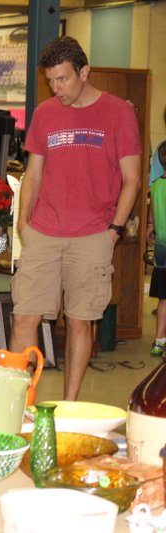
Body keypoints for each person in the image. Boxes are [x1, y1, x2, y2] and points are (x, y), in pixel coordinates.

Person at [9, 36, 141, 400]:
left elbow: (132, 178)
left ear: (84, 72)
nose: (56, 88)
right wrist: (24, 224)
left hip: (93, 235)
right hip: (44, 232)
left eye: (63, 79)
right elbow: (33, 174)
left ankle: (69, 406)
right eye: (51, 80)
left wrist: (113, 230)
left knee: (81, 322)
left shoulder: (118, 113)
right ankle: (22, 403)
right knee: (24, 316)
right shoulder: (46, 113)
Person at [147, 107, 166, 356]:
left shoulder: (157, 184)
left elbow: (152, 200)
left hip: (163, 243)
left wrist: (152, 225)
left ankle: (159, 340)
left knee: (164, 295)